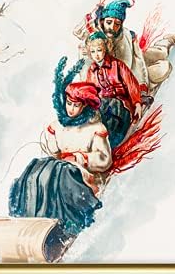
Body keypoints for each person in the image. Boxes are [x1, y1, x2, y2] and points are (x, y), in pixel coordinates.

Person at [8, 66, 111, 238]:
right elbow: (53, 152)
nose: (71, 109)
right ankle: (31, 216)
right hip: (59, 167)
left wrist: (80, 158)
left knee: (63, 174)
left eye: (76, 105)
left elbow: (104, 159)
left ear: (85, 106)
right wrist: (51, 145)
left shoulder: (95, 128)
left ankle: (67, 222)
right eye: (69, 103)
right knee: (37, 168)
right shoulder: (57, 125)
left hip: (83, 172)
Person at [84, 31, 144, 148]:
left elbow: (131, 83)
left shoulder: (117, 65)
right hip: (102, 106)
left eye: (99, 50)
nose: (96, 55)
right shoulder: (91, 70)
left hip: (121, 105)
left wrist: (137, 103)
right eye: (93, 51)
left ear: (105, 49)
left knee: (112, 108)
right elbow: (90, 91)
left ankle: (112, 142)